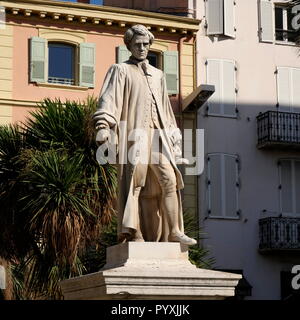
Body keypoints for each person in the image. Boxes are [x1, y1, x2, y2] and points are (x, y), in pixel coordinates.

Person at [93, 24, 196, 246]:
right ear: (129, 45)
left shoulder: (158, 75)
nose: (142, 48)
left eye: (145, 44)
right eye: (137, 44)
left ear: (150, 45)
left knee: (170, 180)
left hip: (158, 137)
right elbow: (108, 99)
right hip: (134, 135)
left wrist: (175, 146)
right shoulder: (120, 70)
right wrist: (103, 125)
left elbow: (167, 112)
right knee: (135, 184)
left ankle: (175, 231)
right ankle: (134, 233)